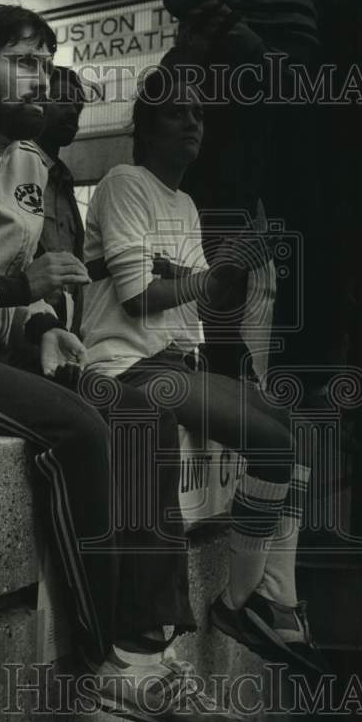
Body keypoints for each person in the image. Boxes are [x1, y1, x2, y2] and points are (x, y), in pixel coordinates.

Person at [0, 4, 253, 722]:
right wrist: (10, 292)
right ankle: (103, 662)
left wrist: (42, 329)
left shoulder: (22, 164)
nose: (41, 76)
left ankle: (146, 644)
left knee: (139, 412)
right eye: (22, 60)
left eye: (46, 61)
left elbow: (9, 291)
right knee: (76, 431)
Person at [81, 64, 328, 676]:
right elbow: (141, 295)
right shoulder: (123, 183)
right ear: (145, 127)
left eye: (199, 112)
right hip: (127, 366)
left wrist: (220, 282)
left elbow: (195, 300)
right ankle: (238, 604)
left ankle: (277, 597)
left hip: (176, 361)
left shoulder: (185, 202)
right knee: (270, 442)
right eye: (177, 112)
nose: (193, 122)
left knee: (291, 431)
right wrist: (210, 276)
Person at [163, 0, 331, 382]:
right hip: (247, 66)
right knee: (225, 218)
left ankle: (282, 373)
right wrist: (251, 44)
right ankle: (221, 357)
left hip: (290, 68)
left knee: (298, 226)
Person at [34, 65, 86, 335]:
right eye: (64, 99)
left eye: (78, 107)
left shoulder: (65, 184)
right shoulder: (11, 169)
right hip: (20, 326)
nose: (73, 112)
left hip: (62, 334)